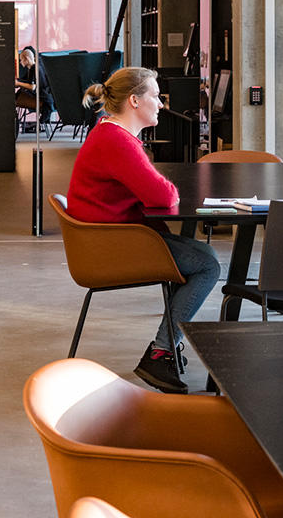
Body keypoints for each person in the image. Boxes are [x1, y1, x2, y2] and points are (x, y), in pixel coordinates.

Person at [67, 66, 220, 394]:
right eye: (156, 96)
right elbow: (163, 196)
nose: (162, 104)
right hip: (111, 246)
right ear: (134, 101)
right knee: (207, 264)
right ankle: (161, 352)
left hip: (109, 238)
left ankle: (165, 348)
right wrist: (168, 189)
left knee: (202, 254)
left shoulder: (109, 132)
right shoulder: (116, 141)